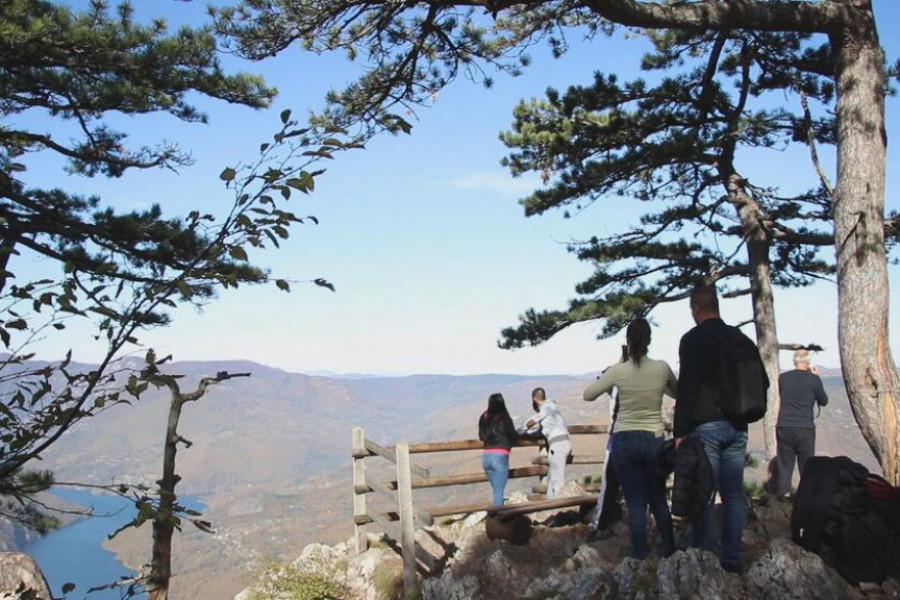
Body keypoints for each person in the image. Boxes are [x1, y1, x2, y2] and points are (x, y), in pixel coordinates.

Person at [674, 284, 768, 573]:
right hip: (738, 426)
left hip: (706, 427)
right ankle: (731, 557)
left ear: (696, 309)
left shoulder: (691, 340)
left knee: (704, 491)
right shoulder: (739, 338)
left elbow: (687, 387)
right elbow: (762, 381)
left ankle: (701, 556)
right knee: (734, 495)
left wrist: (679, 432)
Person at [583, 319, 677, 560]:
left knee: (635, 502)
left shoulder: (618, 371)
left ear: (627, 340)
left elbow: (588, 394)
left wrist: (615, 369)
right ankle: (669, 550)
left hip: (624, 440)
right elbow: (677, 392)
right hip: (654, 439)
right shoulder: (661, 368)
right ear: (650, 341)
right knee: (657, 499)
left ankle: (639, 556)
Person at [775, 349, 829, 498]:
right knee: (806, 466)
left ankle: (782, 498)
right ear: (808, 362)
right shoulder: (813, 380)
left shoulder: (783, 378)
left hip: (784, 425)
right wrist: (816, 377)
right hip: (805, 427)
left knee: (785, 465)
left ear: (794, 361)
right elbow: (823, 401)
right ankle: (806, 498)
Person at [523, 387, 571, 499]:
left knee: (557, 481)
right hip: (562, 443)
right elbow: (541, 430)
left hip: (558, 445)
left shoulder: (545, 408)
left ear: (534, 399)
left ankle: (557, 508)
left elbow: (531, 422)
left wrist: (520, 431)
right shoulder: (552, 408)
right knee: (553, 478)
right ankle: (551, 506)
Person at [478, 393, 518, 506]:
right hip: (500, 457)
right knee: (498, 492)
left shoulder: (484, 417)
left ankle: (501, 511)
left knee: (496, 490)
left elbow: (481, 436)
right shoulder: (504, 418)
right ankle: (499, 518)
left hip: (486, 457)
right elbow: (514, 436)